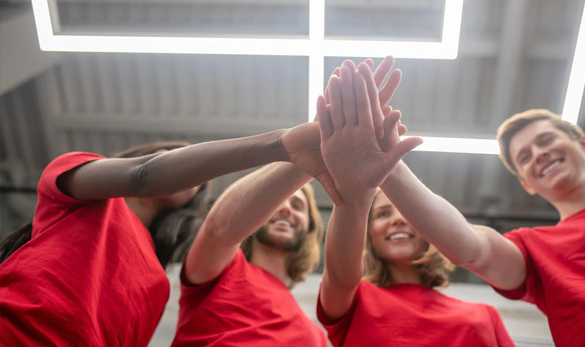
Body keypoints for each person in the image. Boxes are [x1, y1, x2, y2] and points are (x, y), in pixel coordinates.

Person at [0, 124, 339, 346]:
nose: (190, 173)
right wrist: (281, 145)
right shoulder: (79, 190)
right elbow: (144, 175)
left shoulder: (157, 283)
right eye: (176, 157)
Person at [170, 56, 402, 347]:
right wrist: (309, 156)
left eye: (298, 206)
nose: (286, 208)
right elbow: (219, 229)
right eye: (282, 201)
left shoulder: (315, 337)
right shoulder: (219, 272)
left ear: (308, 228)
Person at [315, 62, 513, 346]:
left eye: (405, 213)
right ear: (369, 235)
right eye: (383, 214)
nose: (397, 220)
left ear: (428, 231)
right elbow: (339, 274)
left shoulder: (483, 314)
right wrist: (352, 190)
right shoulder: (354, 300)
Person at [377, 104, 585, 345]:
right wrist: (390, 167)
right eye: (525, 157)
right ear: (526, 184)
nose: (539, 153)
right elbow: (472, 247)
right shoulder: (534, 248)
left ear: (582, 143)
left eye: (546, 140)